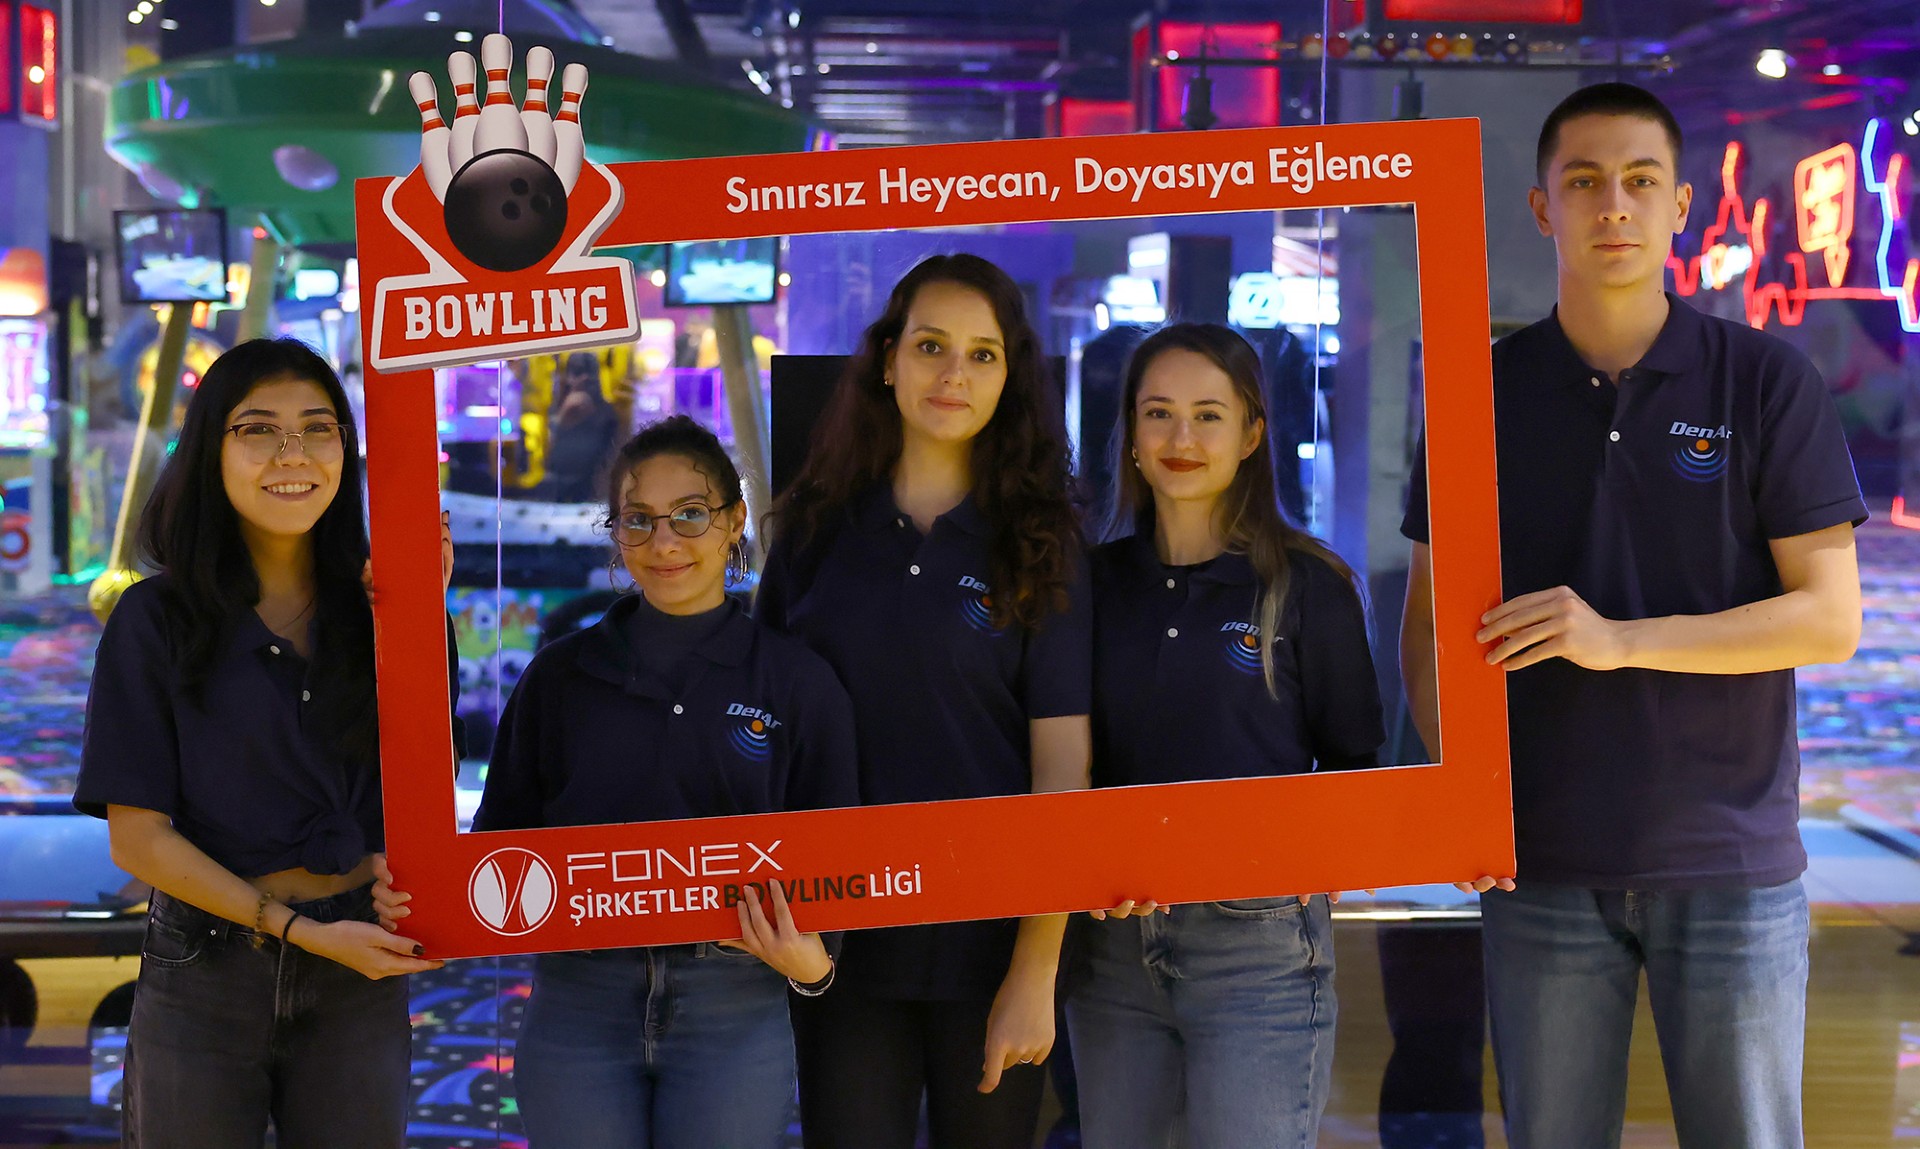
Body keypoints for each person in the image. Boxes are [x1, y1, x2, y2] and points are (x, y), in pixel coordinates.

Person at [1399, 82, 1865, 1149]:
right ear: (1541, 208)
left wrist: (1618, 641)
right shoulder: (1479, 393)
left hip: (1730, 855)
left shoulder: (1764, 382)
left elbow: (1828, 619)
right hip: (1541, 861)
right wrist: (1463, 804)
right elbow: (1428, 627)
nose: (1614, 203)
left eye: (1640, 180)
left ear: (1680, 205)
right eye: (1585, 181)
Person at [73, 338, 447, 1148]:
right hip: (205, 965)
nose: (293, 453)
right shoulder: (154, 621)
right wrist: (296, 929)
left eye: (317, 427)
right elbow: (137, 838)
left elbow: (417, 792)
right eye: (258, 429)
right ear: (210, 450)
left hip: (358, 963)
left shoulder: (385, 609)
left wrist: (418, 616)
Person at [447, 415, 859, 1149]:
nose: (664, 542)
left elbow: (845, 860)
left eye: (690, 514)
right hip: (579, 999)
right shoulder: (559, 677)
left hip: (735, 1000)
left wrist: (816, 967)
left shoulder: (797, 682)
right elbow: (500, 846)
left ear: (734, 521)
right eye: (639, 519)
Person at [758, 253, 1091, 1149]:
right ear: (887, 359)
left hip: (991, 944)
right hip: (837, 944)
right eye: (931, 345)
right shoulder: (812, 528)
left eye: (984, 355)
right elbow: (763, 733)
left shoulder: (1043, 540)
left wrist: (1036, 966)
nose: (954, 374)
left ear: (1011, 377)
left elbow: (1063, 770)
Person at [1070, 323, 1381, 1149]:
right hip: (1108, 946)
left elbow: (1353, 767)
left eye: (1208, 415)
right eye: (1159, 413)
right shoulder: (1089, 586)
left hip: (1260, 952)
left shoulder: (1309, 586)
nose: (1181, 438)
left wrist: (1316, 859)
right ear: (1130, 434)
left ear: (1250, 435)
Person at [535, 350, 620, 502]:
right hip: (559, 488)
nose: (585, 378)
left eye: (590, 373)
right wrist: (563, 419)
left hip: (594, 490)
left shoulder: (608, 412)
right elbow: (546, 457)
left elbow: (614, 455)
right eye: (578, 372)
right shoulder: (555, 409)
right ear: (567, 377)